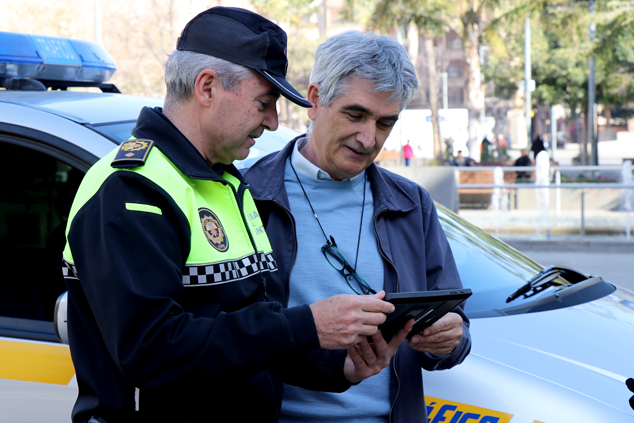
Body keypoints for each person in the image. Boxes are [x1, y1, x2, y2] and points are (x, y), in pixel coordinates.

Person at [61, 8, 398, 423]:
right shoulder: (130, 189)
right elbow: (151, 351)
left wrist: (339, 367)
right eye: (264, 103)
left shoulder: (225, 183)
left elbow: (252, 338)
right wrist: (304, 326)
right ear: (207, 87)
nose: (273, 122)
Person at [244, 30, 471, 423]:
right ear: (314, 100)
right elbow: (224, 336)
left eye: (385, 123)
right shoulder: (245, 195)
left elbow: (455, 323)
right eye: (355, 115)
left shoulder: (412, 204)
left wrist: (448, 339)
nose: (369, 138)